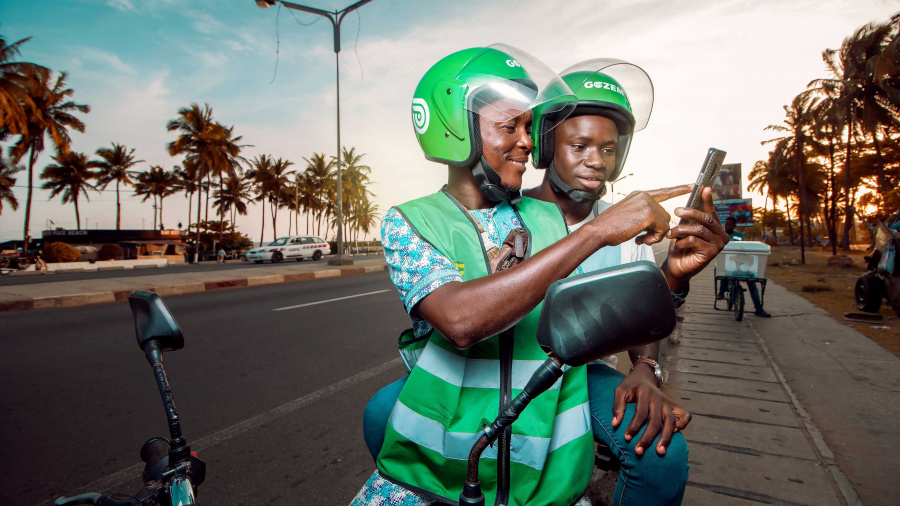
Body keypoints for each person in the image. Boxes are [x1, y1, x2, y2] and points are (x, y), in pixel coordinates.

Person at [353, 45, 693, 506]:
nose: (528, 142)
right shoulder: (410, 221)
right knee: (382, 416)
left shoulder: (550, 215)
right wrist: (596, 231)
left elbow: (612, 306)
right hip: (435, 467)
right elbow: (460, 321)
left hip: (541, 462)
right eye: (510, 126)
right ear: (456, 128)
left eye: (530, 128)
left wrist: (670, 277)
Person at [524, 59, 728, 505]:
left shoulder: (633, 223)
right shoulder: (505, 215)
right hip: (510, 372)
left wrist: (644, 368)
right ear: (545, 144)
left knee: (662, 457)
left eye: (610, 148)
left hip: (582, 374)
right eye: (579, 145)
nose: (596, 161)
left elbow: (640, 320)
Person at [717, 216, 770, 317]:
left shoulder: (740, 236)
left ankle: (758, 308)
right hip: (726, 263)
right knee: (722, 271)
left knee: (752, 282)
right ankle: (721, 292)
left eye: (730, 224)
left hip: (740, 264)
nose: (727, 226)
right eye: (726, 224)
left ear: (734, 226)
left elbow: (744, 248)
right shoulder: (721, 235)